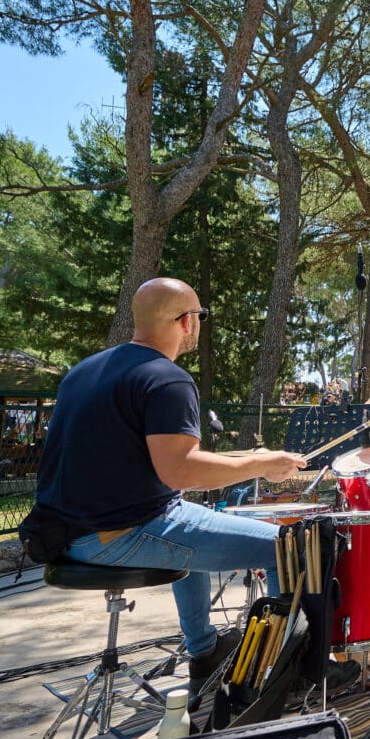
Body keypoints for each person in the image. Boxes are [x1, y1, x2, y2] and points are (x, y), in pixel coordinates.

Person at [28, 278, 319, 697]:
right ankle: (284, 677)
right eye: (200, 315)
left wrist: (254, 459)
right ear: (186, 321)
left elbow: (139, 458)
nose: (199, 323)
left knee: (194, 520)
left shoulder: (83, 372)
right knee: (289, 547)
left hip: (64, 534)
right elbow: (180, 472)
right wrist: (261, 465)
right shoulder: (168, 379)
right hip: (118, 534)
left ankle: (205, 651)